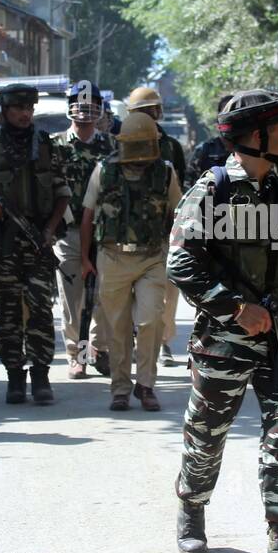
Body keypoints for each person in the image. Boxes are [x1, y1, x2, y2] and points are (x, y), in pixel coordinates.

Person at [168, 89, 278, 553]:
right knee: (206, 435)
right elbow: (180, 263)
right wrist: (236, 308)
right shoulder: (213, 191)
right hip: (225, 339)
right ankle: (192, 506)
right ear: (256, 137)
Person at [0, 82, 71, 405]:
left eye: (29, 109)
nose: (25, 114)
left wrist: (51, 229)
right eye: (18, 109)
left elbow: (63, 192)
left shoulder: (45, 145)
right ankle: (14, 377)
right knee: (8, 312)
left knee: (39, 310)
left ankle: (40, 376)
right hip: (4, 246)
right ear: (5, 111)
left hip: (38, 243)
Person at [80, 111, 182, 411]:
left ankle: (146, 384)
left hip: (152, 258)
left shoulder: (165, 172)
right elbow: (88, 215)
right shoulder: (104, 170)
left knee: (152, 319)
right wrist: (86, 258)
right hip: (112, 257)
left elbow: (179, 214)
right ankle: (121, 388)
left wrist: (180, 250)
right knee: (117, 326)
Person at [53, 83, 114, 378]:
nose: (85, 108)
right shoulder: (55, 145)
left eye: (92, 103)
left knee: (104, 294)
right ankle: (76, 355)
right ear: (70, 106)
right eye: (79, 102)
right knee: (72, 297)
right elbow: (47, 188)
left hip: (104, 232)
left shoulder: (111, 147)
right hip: (69, 231)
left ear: (100, 108)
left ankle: (99, 350)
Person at [125, 86, 187, 366]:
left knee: (168, 294)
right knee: (132, 295)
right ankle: (137, 341)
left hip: (164, 233)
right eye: (143, 112)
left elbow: (180, 189)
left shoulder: (171, 147)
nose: (151, 116)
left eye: (153, 110)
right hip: (128, 234)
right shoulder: (122, 142)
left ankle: (162, 343)